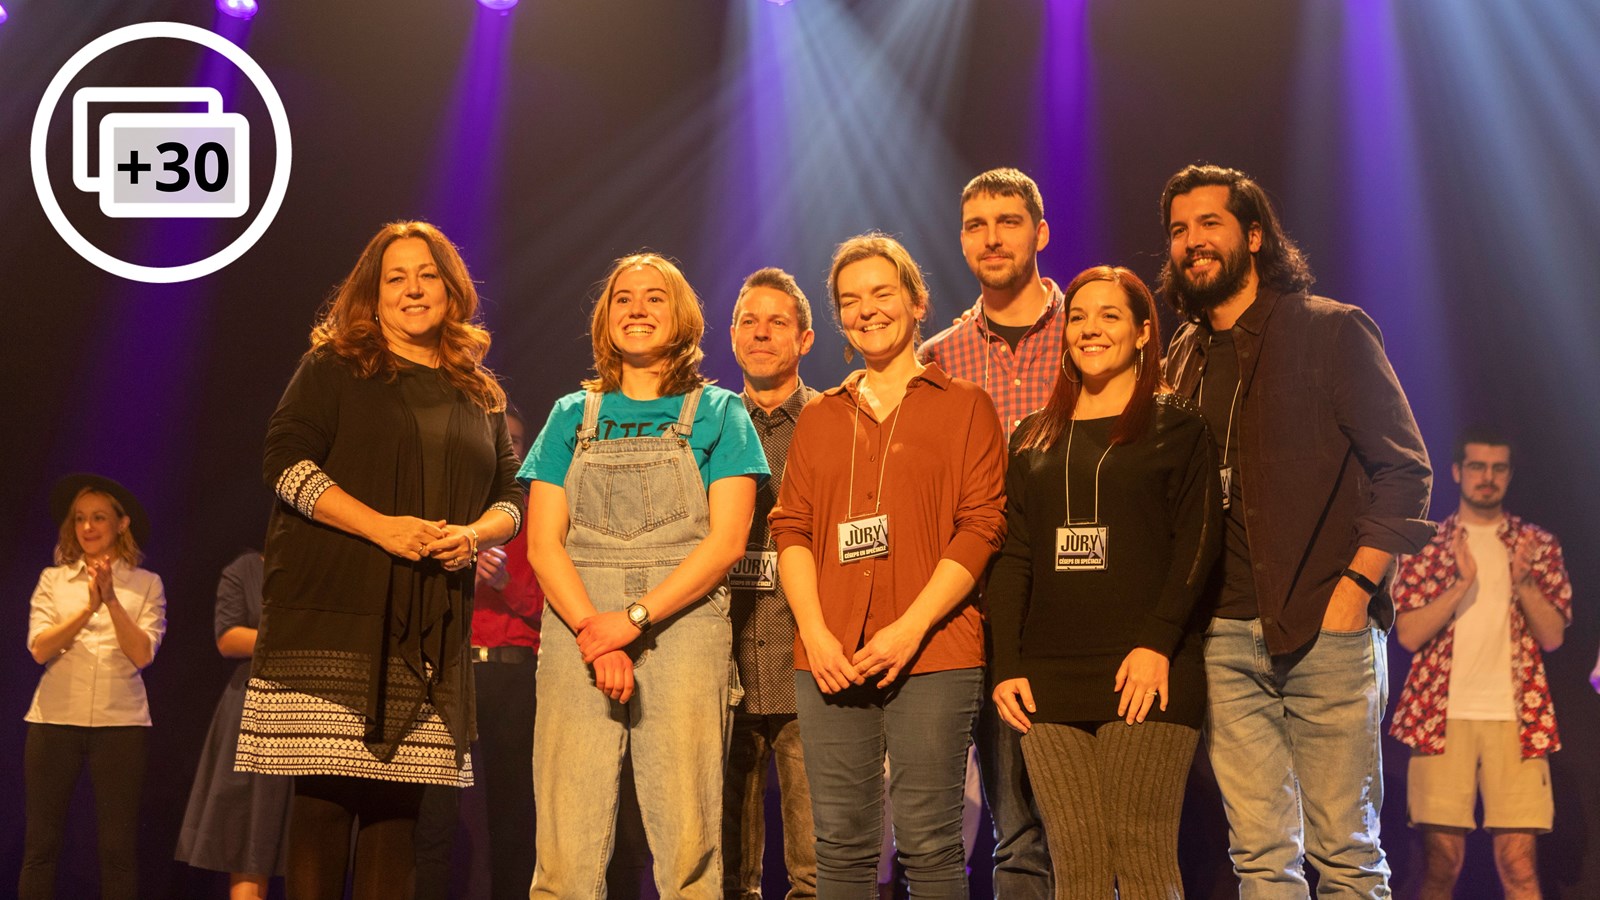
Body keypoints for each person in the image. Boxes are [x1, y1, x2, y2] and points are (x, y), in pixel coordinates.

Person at [1159, 164, 1433, 895]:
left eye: (1210, 224)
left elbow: (1405, 473)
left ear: (1254, 235)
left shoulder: (1329, 330)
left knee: (1347, 854)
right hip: (1221, 638)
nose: (1193, 243)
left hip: (1326, 630)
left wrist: (1352, 593)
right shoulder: (1179, 359)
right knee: (1259, 856)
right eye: (1180, 230)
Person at [236, 221, 524, 900]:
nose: (413, 288)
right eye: (396, 277)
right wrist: (380, 529)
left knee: (398, 820)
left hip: (427, 632)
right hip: (336, 620)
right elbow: (282, 462)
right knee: (326, 806)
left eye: (426, 274)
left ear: (452, 291)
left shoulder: (479, 391)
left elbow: (512, 495)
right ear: (372, 295)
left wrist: (476, 535)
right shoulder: (335, 367)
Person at [520, 252, 768, 899]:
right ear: (605, 319)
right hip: (579, 618)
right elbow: (544, 545)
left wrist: (631, 621)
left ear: (682, 316)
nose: (636, 307)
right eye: (623, 297)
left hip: (680, 623)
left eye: (654, 297)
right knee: (564, 843)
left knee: (687, 838)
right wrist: (592, 631)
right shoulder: (569, 414)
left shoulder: (720, 412)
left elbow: (726, 543)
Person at [771, 232, 1007, 898]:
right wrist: (815, 636)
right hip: (829, 657)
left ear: (916, 300)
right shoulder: (820, 418)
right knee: (840, 848)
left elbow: (982, 526)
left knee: (931, 843)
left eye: (881, 292)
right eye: (850, 300)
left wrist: (909, 628)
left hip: (934, 653)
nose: (867, 309)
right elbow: (790, 528)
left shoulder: (965, 406)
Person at [987, 266, 1220, 898]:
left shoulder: (1179, 429)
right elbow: (1013, 558)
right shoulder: (1032, 437)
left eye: (1110, 316)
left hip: (1147, 670)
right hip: (1046, 679)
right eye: (1079, 317)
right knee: (1079, 868)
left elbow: (1197, 550)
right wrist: (1006, 665)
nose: (1090, 329)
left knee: (1142, 858)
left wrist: (1157, 645)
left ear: (1145, 333)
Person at [919, 167, 1063, 898]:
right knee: (1015, 832)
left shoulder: (1093, 331)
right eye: (976, 224)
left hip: (1081, 605)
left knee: (1093, 822)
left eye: (1008, 221)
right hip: (979, 611)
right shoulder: (937, 358)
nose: (992, 237)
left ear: (1040, 232)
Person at [1391, 427, 1572, 900]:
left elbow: (1552, 637)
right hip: (1440, 720)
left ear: (1509, 475)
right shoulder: (1429, 543)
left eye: (1497, 468)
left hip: (1517, 723)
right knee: (1440, 866)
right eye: (1476, 466)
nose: (1486, 478)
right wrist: (1461, 583)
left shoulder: (1536, 545)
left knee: (1519, 866)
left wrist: (1525, 582)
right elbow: (1408, 635)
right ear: (1457, 471)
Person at [413, 404, 546, 900]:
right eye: (502, 439)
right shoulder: (452, 508)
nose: (509, 448)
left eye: (517, 441)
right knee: (434, 810)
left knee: (512, 811)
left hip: (513, 675)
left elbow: (551, 609)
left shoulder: (536, 512)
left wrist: (506, 582)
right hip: (452, 670)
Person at [21, 473, 167, 900]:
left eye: (99, 518)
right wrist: (88, 607)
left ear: (121, 524)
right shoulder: (53, 580)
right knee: (40, 847)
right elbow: (39, 649)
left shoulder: (146, 584)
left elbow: (142, 654)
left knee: (117, 850)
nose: (88, 527)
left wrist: (112, 600)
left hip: (120, 724)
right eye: (81, 518)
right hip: (53, 721)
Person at [724, 267, 820, 900]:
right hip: (720, 663)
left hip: (808, 662)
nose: (761, 333)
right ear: (732, 336)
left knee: (821, 865)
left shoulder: (835, 421)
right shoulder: (705, 422)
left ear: (805, 339)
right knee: (723, 867)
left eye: (776, 321)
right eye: (748, 321)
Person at [176, 549, 292, 899]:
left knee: (308, 841)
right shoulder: (243, 569)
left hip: (313, 708)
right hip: (256, 709)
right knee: (249, 841)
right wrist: (297, 637)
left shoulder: (326, 569)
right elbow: (227, 637)